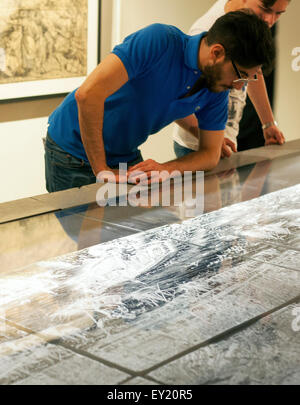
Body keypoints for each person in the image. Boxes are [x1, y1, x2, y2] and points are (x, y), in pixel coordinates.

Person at [45, 10, 274, 192]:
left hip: (125, 153)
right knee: (89, 244)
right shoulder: (159, 41)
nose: (239, 85)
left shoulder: (217, 87)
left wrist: (166, 168)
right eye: (241, 74)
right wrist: (102, 170)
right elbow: (88, 95)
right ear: (216, 53)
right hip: (72, 150)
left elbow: (210, 155)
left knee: (132, 238)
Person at [173, 0, 290, 160]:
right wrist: (209, 139)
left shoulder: (252, 21)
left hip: (226, 138)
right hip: (198, 144)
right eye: (265, 9)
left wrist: (268, 123)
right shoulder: (208, 30)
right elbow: (176, 98)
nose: (269, 20)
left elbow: (253, 70)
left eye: (278, 14)